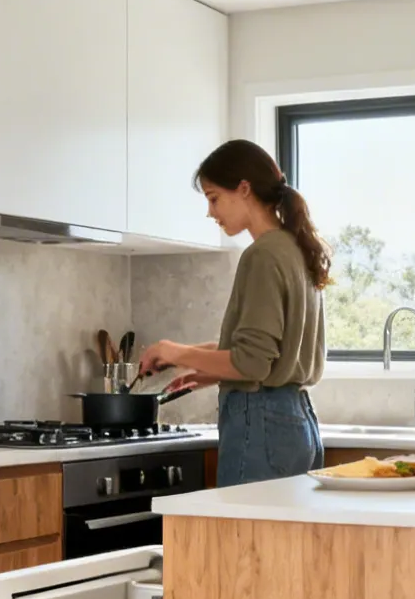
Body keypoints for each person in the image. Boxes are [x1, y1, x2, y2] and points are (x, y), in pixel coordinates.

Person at [137, 140, 329, 486]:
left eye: (213, 198)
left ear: (244, 188)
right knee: (279, 540)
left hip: (262, 425)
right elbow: (270, 355)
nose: (211, 212)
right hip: (297, 422)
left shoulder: (262, 255)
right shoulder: (296, 250)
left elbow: (253, 363)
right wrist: (205, 369)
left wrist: (173, 351)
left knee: (247, 540)